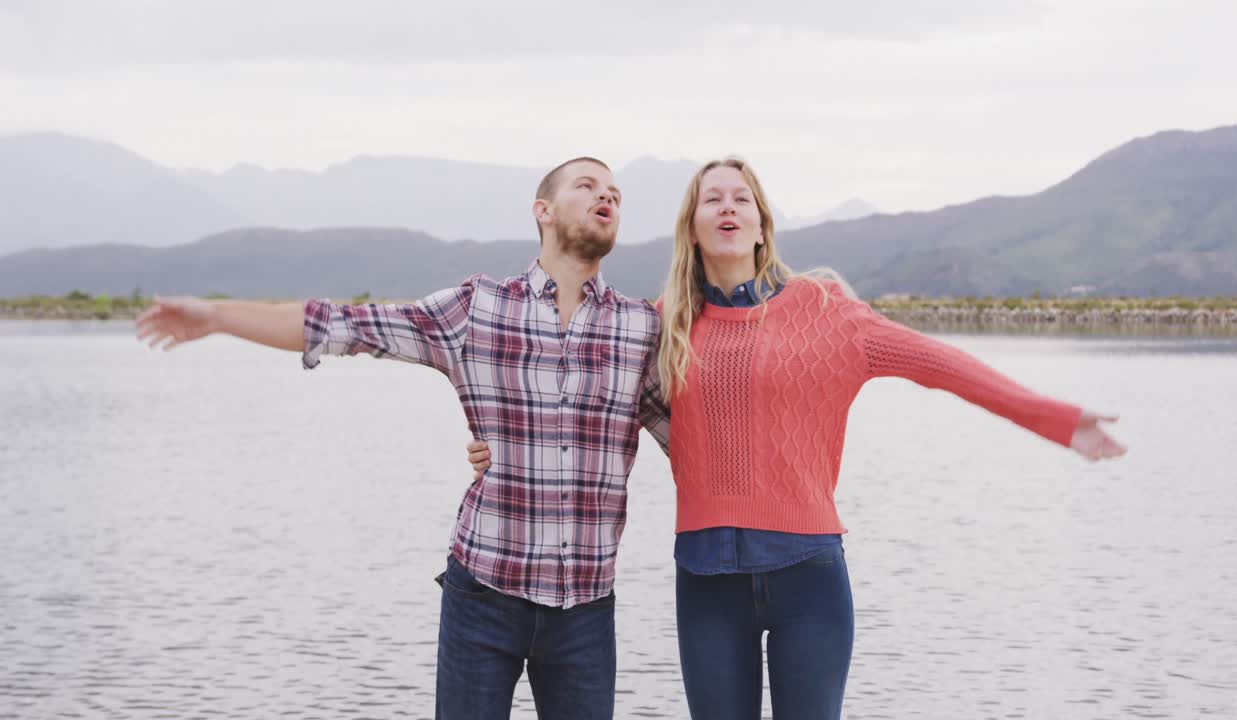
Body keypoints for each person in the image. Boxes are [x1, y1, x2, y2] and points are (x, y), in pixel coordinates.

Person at [466, 156, 1126, 719]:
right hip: (706, 581)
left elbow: (943, 367)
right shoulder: (662, 325)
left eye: (742, 198)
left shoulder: (826, 312)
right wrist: (493, 447)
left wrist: (1058, 420)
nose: (727, 206)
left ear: (761, 225)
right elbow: (578, 399)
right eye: (711, 199)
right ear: (692, 229)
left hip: (808, 575)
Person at [134, 157, 672, 720]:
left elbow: (697, 441)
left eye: (614, 192)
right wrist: (217, 317)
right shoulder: (477, 309)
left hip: (585, 608)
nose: (605, 197)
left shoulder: (640, 329)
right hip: (485, 592)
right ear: (542, 211)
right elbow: (343, 325)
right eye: (586, 186)